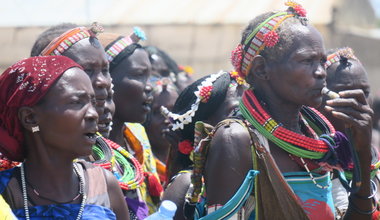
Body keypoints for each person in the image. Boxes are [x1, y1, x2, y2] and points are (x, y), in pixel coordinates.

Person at [200, 2, 375, 219]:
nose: (321, 72)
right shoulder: (237, 140)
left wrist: (361, 153)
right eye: (307, 60)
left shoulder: (321, 140)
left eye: (321, 61)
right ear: (262, 68)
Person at [0, 56, 129, 219]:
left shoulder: (104, 185)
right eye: (77, 102)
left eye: (92, 103)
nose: (93, 114)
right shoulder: (5, 193)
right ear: (30, 118)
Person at [160, 71, 245, 220]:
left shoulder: (260, 169)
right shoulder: (186, 186)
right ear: (203, 126)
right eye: (236, 111)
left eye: (248, 109)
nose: (247, 119)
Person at [98, 28, 163, 216]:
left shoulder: (137, 135)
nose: (149, 86)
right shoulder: (85, 147)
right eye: (138, 75)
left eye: (149, 75)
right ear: (104, 81)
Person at [318, 47, 380, 217]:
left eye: (364, 92)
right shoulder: (307, 166)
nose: (358, 102)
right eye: (343, 93)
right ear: (316, 101)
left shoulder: (374, 156)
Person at [144, 76, 179, 184]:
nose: (167, 120)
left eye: (174, 111)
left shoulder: (192, 161)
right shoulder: (140, 164)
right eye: (159, 113)